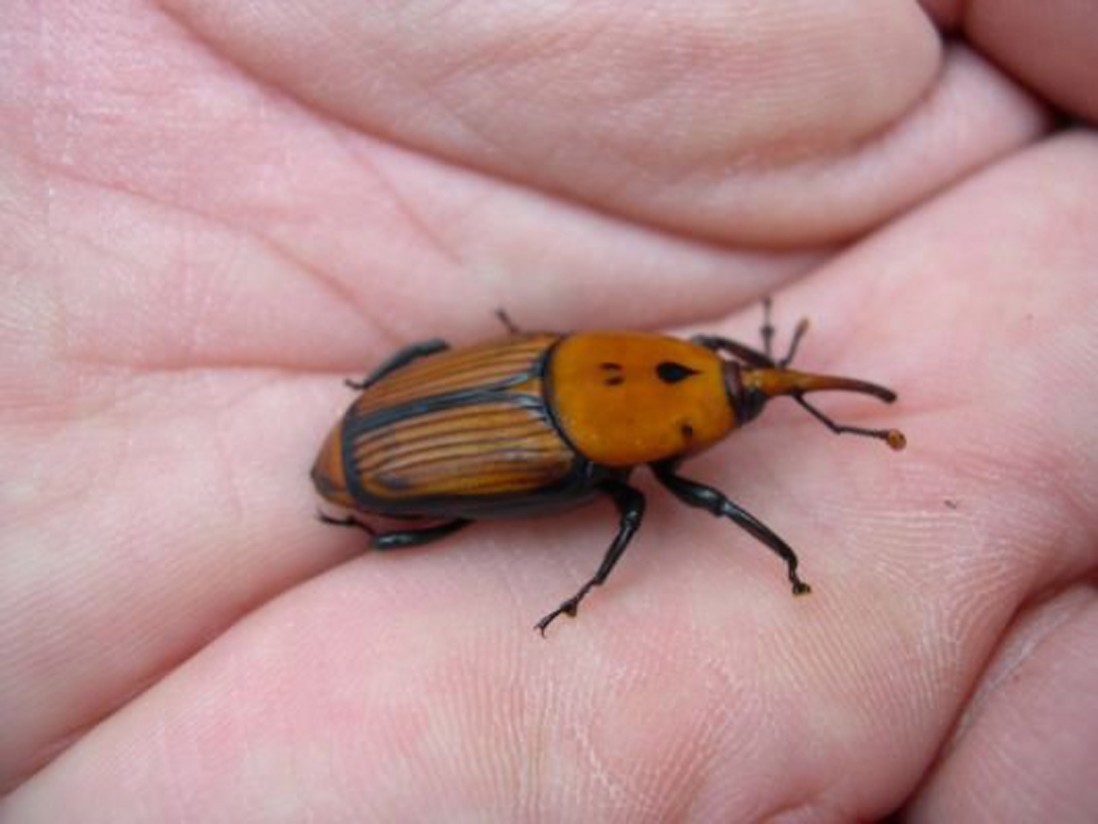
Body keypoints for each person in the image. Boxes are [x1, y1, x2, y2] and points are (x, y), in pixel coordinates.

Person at [2, 2, 1095, 820]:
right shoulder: (605, 447)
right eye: (726, 374)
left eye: (734, 394)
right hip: (406, 455)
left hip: (443, 407)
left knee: (474, 428)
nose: (740, 381)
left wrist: (781, 393)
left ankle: (383, 494)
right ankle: (380, 517)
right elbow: (649, 483)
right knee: (538, 502)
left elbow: (681, 378)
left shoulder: (584, 365)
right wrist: (778, 558)